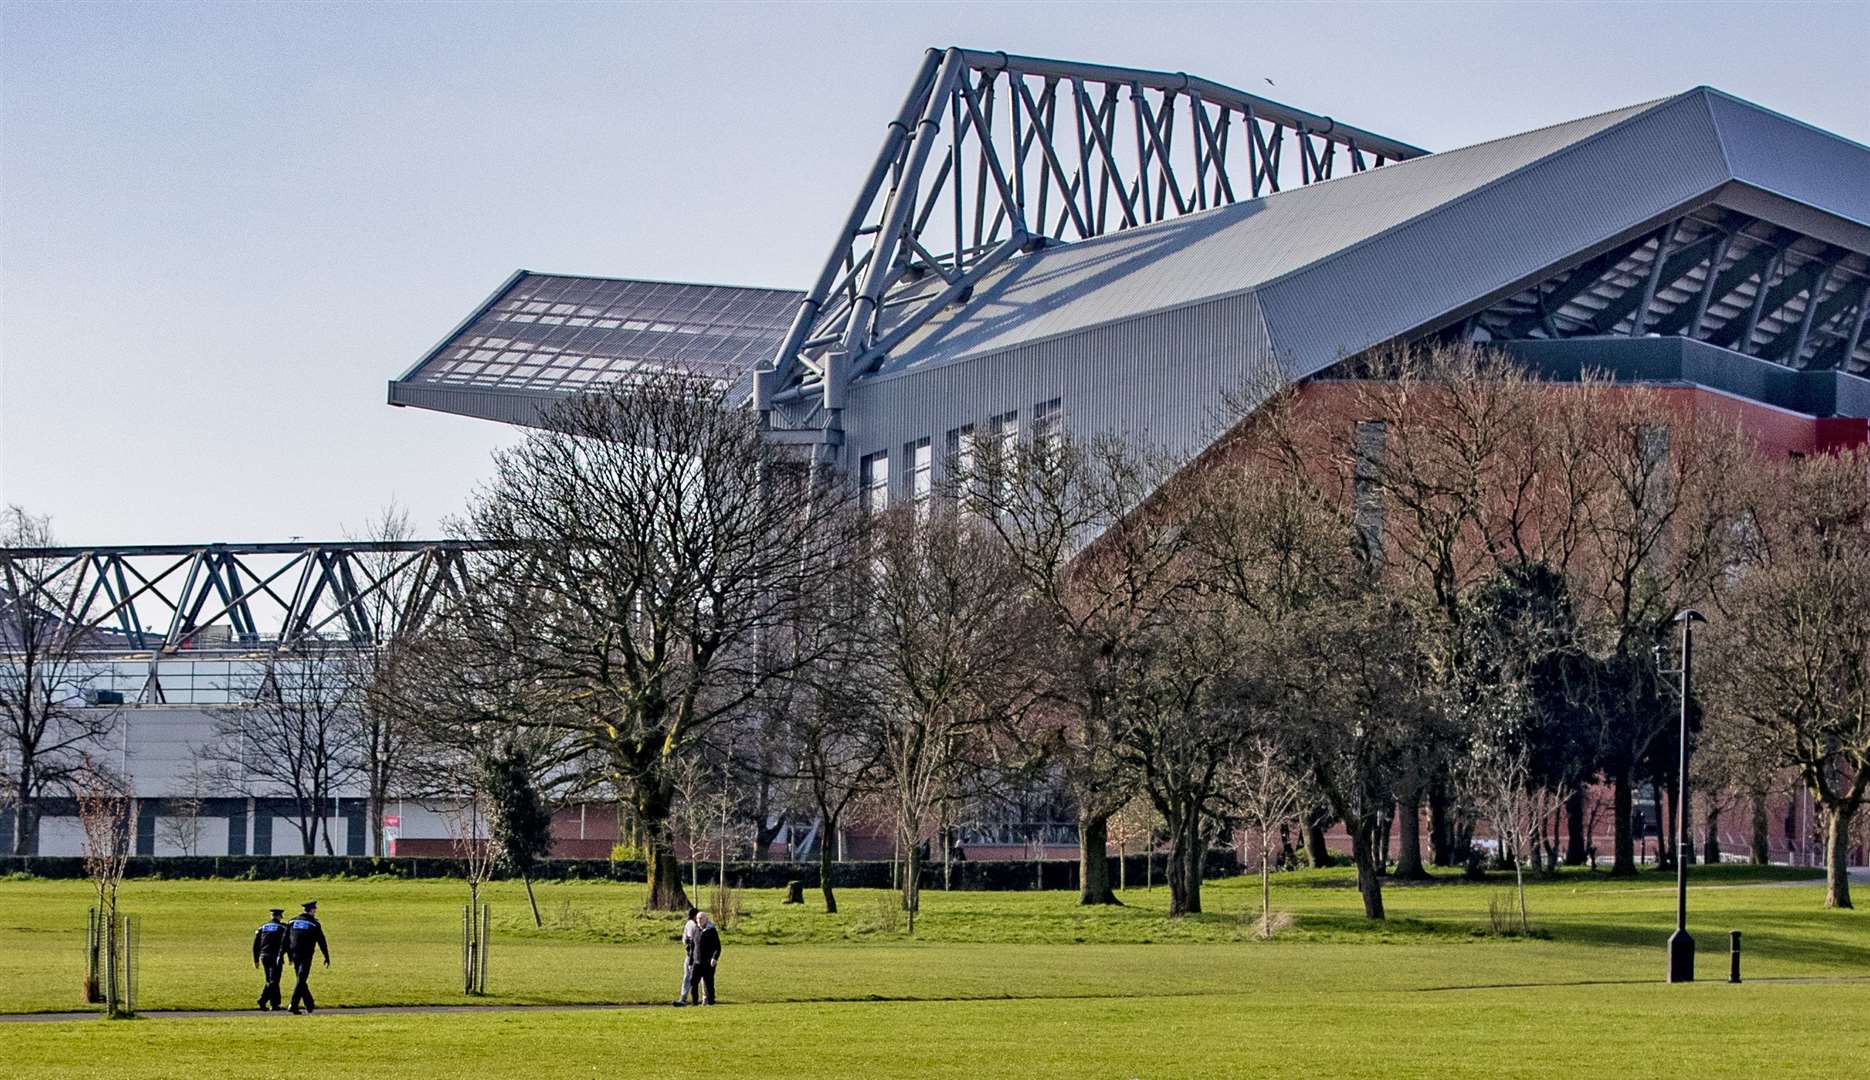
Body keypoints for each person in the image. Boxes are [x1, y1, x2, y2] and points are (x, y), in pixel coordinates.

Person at [285, 900, 330, 1014]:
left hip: (294, 953)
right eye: (315, 909)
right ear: (312, 910)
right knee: (301, 979)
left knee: (301, 979)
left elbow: (285, 940)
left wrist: (283, 954)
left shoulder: (292, 921)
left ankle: (309, 1003)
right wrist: (326, 955)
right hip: (306, 954)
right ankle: (293, 1004)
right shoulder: (314, 924)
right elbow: (322, 941)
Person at [252, 908, 289, 1011]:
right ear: (279, 917)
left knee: (271, 980)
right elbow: (286, 944)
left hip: (264, 956)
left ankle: (275, 1004)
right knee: (274, 980)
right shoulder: (282, 928)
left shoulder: (262, 928)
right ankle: (263, 1000)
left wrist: (256, 959)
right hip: (275, 957)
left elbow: (256, 945)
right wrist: (290, 957)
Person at [690, 911, 721, 1006]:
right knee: (693, 983)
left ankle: (711, 1003)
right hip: (697, 962)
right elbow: (692, 947)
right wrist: (691, 962)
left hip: (708, 963)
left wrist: (714, 958)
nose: (699, 920)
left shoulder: (711, 931)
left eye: (701, 918)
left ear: (706, 920)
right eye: (698, 919)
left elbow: (717, 947)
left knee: (708, 984)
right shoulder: (695, 930)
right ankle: (694, 1003)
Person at [673, 906, 699, 1006]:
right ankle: (684, 999)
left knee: (694, 977)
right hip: (692, 955)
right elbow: (686, 939)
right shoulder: (691, 925)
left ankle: (704, 999)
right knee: (690, 977)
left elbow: (685, 940)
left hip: (696, 955)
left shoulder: (696, 925)